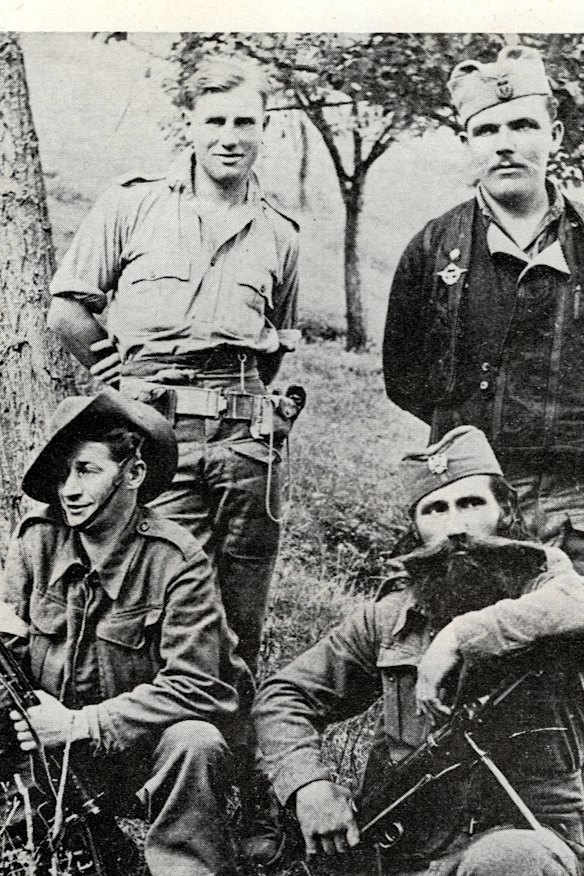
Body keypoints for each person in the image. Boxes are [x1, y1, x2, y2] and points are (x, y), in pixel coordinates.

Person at [46, 56, 301, 675]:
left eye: (247, 121)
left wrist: (254, 409)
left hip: (247, 447)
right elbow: (67, 310)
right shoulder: (135, 204)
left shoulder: (281, 231)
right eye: (215, 120)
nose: (230, 136)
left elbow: (278, 341)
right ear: (191, 125)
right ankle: (155, 740)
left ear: (266, 129)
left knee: (243, 608)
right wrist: (119, 383)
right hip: (157, 434)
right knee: (159, 589)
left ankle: (231, 755)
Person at [253, 425, 584, 875]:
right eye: (435, 509)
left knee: (509, 858)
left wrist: (461, 636)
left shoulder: (551, 586)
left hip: (527, 838)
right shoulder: (390, 617)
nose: (455, 526)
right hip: (406, 846)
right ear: (415, 527)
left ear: (505, 510)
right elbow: (285, 697)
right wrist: (308, 785)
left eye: (471, 503)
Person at [0, 388, 253, 876]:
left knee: (195, 742)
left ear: (133, 474)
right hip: (43, 744)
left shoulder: (176, 560)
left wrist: (82, 725)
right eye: (62, 473)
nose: (68, 489)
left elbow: (201, 686)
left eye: (87, 470)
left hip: (137, 753)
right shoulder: (37, 539)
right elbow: (9, 646)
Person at [382, 45, 584, 574]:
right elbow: (403, 376)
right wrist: (468, 435)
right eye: (486, 131)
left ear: (555, 136)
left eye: (522, 126)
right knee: (464, 637)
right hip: (468, 495)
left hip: (574, 496)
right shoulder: (431, 248)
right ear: (468, 144)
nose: (505, 146)